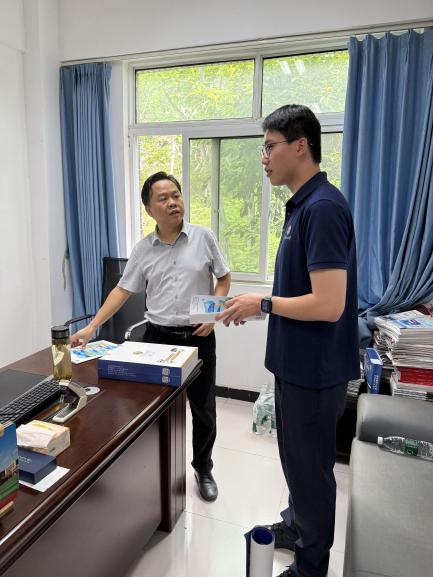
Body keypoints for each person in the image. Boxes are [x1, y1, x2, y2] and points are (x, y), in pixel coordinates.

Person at [216, 105, 359, 577]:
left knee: (312, 472)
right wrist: (259, 306)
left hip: (315, 373)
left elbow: (329, 304)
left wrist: (263, 302)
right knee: (296, 463)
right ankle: (297, 526)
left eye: (269, 146)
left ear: (301, 146)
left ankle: (310, 566)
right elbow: (303, 291)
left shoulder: (323, 208)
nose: (263, 158)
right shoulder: (302, 205)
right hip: (295, 366)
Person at [70, 171, 231, 502]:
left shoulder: (203, 237)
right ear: (149, 209)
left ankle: (203, 468)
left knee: (203, 410)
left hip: (198, 337)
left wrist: (212, 315)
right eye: (163, 198)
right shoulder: (143, 249)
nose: (173, 202)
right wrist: (92, 326)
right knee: (153, 408)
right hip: (157, 338)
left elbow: (224, 278)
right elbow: (122, 290)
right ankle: (156, 471)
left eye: (176, 195)